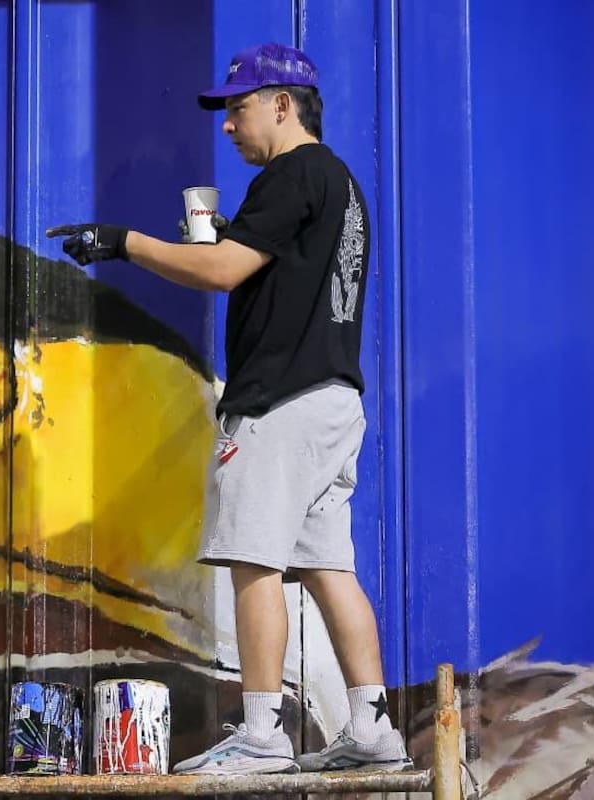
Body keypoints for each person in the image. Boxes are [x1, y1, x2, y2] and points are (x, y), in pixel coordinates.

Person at [46, 43, 411, 775]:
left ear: (283, 104)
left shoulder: (292, 172)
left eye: (237, 108)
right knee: (327, 567)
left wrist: (122, 242)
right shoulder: (340, 186)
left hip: (278, 403)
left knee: (253, 562)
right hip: (334, 400)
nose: (226, 125)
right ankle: (373, 729)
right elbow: (266, 271)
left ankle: (262, 734)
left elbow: (222, 270)